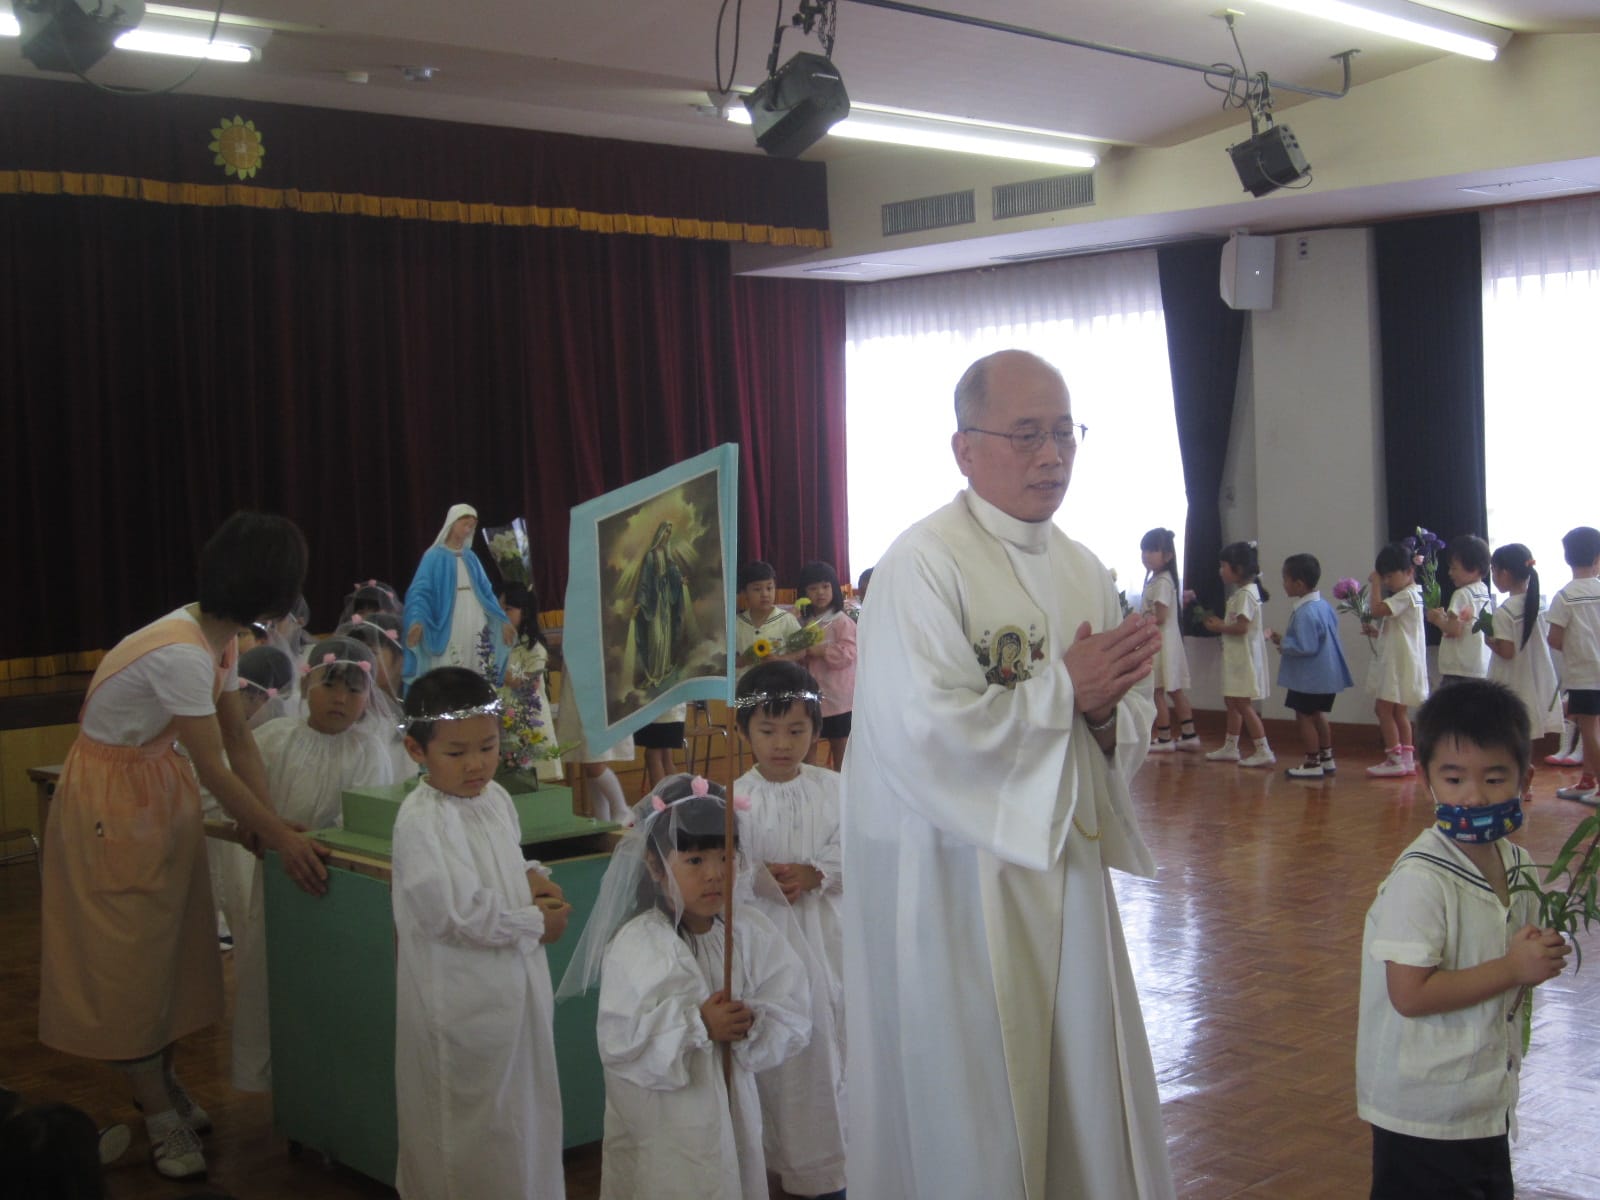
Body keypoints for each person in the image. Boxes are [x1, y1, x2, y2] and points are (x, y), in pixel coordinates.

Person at [842, 349, 1173, 1199]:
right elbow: (919, 730)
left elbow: (1121, 716)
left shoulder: (1082, 565)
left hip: (1065, 870)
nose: (1052, 456)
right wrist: (1065, 691)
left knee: (1078, 1084)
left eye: (1065, 433)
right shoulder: (923, 563)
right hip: (957, 883)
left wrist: (1106, 714)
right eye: (1026, 435)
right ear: (965, 448)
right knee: (977, 1103)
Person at [38, 512, 331, 1182]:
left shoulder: (217, 639)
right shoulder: (180, 652)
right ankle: (157, 1115)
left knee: (168, 956)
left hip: (154, 791)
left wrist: (268, 823)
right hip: (113, 805)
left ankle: (160, 1085)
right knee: (129, 964)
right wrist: (278, 837)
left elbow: (239, 740)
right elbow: (215, 768)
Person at [1355, 679, 1569, 1200]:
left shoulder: (1519, 865)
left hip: (1485, 1098)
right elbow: (1410, 994)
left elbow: (1509, 956)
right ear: (1426, 780)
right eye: (1453, 779)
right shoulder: (1421, 879)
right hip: (1424, 1111)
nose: (1474, 796)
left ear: (1525, 780)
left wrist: (1539, 955)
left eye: (1495, 778)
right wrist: (1513, 968)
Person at [556, 774, 811, 1200]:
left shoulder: (748, 930)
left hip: (732, 1105)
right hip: (668, 1122)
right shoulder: (641, 943)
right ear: (655, 867)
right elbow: (622, 1040)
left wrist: (752, 1021)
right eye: (694, 861)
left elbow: (790, 1000)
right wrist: (698, 1025)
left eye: (725, 857)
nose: (715, 874)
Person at [392, 668, 572, 1200]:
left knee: (522, 1115)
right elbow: (451, 915)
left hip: (515, 989)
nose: (476, 764)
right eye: (456, 752)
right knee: (468, 1131)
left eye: (488, 747)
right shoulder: (422, 821)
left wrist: (531, 877)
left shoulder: (494, 798)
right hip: (461, 1000)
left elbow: (503, 860)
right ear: (416, 750)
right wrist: (535, 922)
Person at [231, 637, 396, 1093]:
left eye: (354, 690)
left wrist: (314, 843)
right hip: (274, 877)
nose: (341, 699)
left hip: (337, 883)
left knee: (328, 978)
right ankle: (273, 1075)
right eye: (330, 686)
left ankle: (329, 1079)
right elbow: (237, 792)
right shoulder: (273, 739)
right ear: (305, 686)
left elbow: (360, 820)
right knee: (271, 970)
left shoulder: (368, 751)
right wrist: (255, 823)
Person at [733, 662, 846, 1200]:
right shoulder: (733, 799)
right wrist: (754, 877)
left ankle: (839, 1164)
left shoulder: (835, 789)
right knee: (784, 1056)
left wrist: (817, 872)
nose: (782, 744)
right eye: (768, 730)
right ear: (745, 732)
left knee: (834, 1042)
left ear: (817, 731)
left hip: (829, 939)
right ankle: (783, 1167)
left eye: (796, 730)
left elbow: (861, 846)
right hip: (768, 947)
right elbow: (724, 868)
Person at [402, 504, 513, 687]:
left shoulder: (471, 557)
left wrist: (503, 620)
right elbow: (420, 592)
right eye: (465, 524)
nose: (468, 529)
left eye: (472, 526)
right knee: (451, 660)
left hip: (475, 614)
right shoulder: (433, 556)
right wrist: (417, 619)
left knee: (477, 657)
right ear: (452, 523)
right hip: (449, 617)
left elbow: (487, 592)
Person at [1267, 553, 1354, 779]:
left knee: (1304, 716)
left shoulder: (1305, 611)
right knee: (1318, 714)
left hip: (1309, 678)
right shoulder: (1323, 605)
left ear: (1299, 584)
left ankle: (1312, 762)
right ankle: (1326, 758)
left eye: (1285, 579)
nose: (1283, 584)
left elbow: (1307, 646)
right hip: (1326, 675)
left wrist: (1284, 644)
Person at [1487, 544, 1562, 799]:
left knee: (1507, 734)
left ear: (1505, 573)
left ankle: (1515, 784)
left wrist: (1489, 642)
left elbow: (1507, 651)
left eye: (1494, 571)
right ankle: (1523, 782)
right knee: (1524, 732)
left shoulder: (1505, 610)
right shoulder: (1538, 604)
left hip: (1512, 679)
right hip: (1535, 675)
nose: (1493, 577)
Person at [1203, 541, 1275, 767]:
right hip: (1237, 657)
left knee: (1242, 703)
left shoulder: (1246, 594)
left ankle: (1263, 749)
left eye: (1224, 565)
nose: (1220, 570)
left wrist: (1219, 627)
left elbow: (1242, 627)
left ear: (1239, 569)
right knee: (1232, 701)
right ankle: (1231, 746)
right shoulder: (1243, 593)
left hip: (1243, 659)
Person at [1364, 542, 1430, 777]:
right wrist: (1377, 632)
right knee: (1399, 711)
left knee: (1383, 709)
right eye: (1384, 577)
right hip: (1405, 660)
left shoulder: (1406, 595)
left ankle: (1394, 759)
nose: (1387, 581)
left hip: (1397, 663)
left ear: (1409, 571)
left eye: (1390, 576)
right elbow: (1401, 629)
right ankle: (1407, 759)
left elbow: (1376, 610)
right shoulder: (1414, 594)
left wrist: (1375, 584)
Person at [1548, 525, 1600, 802]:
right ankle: (1587, 780)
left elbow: (1554, 639)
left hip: (1583, 676)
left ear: (1567, 558)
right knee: (1594, 729)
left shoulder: (1565, 596)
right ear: (1597, 558)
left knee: (1590, 732)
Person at [1138, 527, 1200, 753]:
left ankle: (1164, 738)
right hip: (1166, 642)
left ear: (1168, 556)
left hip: (1161, 643)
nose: (1146, 555)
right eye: (1144, 550)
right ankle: (1189, 734)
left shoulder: (1162, 582)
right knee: (1174, 690)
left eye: (1152, 550)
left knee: (1157, 691)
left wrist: (1140, 623)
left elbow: (1161, 616)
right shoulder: (1157, 579)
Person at [496, 582, 564, 783]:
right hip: (504, 718)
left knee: (534, 777)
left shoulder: (533, 646)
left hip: (529, 720)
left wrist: (501, 673)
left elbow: (530, 683)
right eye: (499, 608)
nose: (501, 614)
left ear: (524, 612)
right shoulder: (499, 643)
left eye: (508, 609)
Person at [795, 560, 856, 771]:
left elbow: (850, 652)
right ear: (804, 593)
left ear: (834, 589)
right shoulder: (803, 622)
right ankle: (811, 785)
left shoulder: (841, 621)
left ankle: (841, 785)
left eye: (825, 586)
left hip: (839, 698)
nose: (820, 592)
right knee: (808, 744)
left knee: (840, 745)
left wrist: (822, 651)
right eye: (813, 588)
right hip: (811, 696)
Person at [621, 519, 696, 693]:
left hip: (665, 601)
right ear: (660, 533)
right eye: (666, 531)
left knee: (665, 634)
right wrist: (639, 603)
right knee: (655, 637)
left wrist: (680, 580)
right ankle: (654, 673)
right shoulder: (651, 555)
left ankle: (663, 670)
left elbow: (674, 573)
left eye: (670, 532)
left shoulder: (667, 556)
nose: (668, 535)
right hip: (653, 602)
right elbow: (644, 582)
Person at [1426, 534, 1493, 685]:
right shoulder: (1483, 590)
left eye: (1454, 568)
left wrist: (1437, 619)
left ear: (1473, 569)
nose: (1450, 573)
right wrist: (1446, 617)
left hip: (1459, 669)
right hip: (1480, 667)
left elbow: (1454, 629)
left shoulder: (1461, 594)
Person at [736, 560, 802, 676]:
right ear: (744, 593)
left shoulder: (786, 619)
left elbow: (802, 651)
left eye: (769, 588)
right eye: (757, 589)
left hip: (778, 682)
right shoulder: (736, 623)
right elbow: (726, 661)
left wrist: (780, 659)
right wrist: (742, 660)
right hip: (743, 683)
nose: (765, 594)